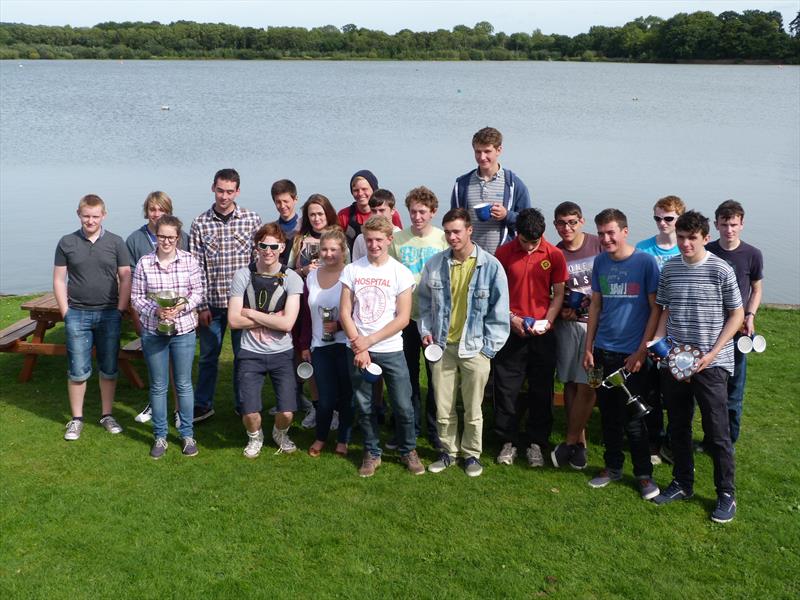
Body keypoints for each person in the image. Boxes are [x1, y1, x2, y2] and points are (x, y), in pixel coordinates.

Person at [652, 211, 743, 523]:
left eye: (692, 238)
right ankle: (682, 483)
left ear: (706, 238)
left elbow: (737, 316)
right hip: (675, 361)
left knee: (717, 431)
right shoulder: (670, 269)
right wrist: (658, 343)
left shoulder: (721, 270)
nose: (685, 244)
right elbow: (664, 310)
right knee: (678, 426)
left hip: (711, 363)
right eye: (681, 237)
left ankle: (726, 493)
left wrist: (713, 353)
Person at [417, 208, 510, 476]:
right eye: (447, 232)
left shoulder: (491, 266)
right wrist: (426, 330)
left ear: (469, 230)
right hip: (443, 347)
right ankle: (448, 452)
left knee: (473, 407)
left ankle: (471, 455)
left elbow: (500, 311)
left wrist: (487, 349)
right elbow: (423, 303)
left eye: (456, 231)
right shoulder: (434, 264)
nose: (451, 237)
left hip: (475, 348)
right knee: (444, 406)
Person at [583, 209, 660, 500]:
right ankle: (612, 467)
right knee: (607, 414)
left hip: (632, 356)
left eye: (611, 232)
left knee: (633, 418)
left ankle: (643, 475)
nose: (605, 238)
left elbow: (656, 309)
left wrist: (642, 350)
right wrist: (587, 347)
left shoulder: (645, 262)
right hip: (600, 352)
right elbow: (595, 307)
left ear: (625, 232)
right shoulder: (600, 262)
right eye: (601, 233)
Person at [339, 216, 423, 477]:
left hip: (390, 349)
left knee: (403, 404)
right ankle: (371, 452)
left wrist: (370, 341)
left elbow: (403, 318)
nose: (374, 245)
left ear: (389, 240)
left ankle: (408, 449)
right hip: (358, 348)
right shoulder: (353, 270)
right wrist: (360, 347)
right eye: (369, 239)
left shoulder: (400, 272)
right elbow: (344, 311)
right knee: (364, 405)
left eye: (379, 240)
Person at [53, 194, 131, 441]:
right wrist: (66, 312)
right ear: (79, 214)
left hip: (109, 313)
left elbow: (126, 277)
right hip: (77, 314)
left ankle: (107, 414)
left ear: (103, 216)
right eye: (86, 215)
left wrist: (119, 309)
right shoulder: (66, 242)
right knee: (77, 370)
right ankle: (76, 419)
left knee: (108, 368)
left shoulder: (117, 242)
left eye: (95, 216)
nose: (90, 220)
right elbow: (58, 279)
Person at [493, 208, 567, 467]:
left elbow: (558, 294)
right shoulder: (503, 254)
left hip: (542, 332)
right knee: (506, 388)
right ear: (517, 234)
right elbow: (495, 295)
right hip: (510, 330)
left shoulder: (554, 255)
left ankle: (537, 442)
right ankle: (507, 441)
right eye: (525, 242)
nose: (529, 247)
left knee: (541, 388)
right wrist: (511, 318)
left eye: (534, 242)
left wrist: (548, 320)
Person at [189, 168, 262, 422]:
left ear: (237, 192)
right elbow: (197, 269)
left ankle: (243, 404)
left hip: (242, 305)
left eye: (229, 191)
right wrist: (202, 306)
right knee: (209, 357)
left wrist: (254, 304)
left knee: (244, 358)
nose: (224, 196)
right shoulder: (200, 223)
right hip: (213, 305)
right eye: (220, 190)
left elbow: (258, 264)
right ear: (213, 188)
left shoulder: (252, 219)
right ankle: (203, 404)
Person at [228, 223, 304, 458]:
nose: (268, 251)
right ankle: (255, 436)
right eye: (263, 245)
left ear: (282, 247)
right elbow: (233, 320)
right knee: (249, 412)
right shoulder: (243, 275)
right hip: (250, 351)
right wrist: (270, 319)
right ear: (256, 246)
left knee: (288, 412)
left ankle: (280, 433)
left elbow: (287, 324)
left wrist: (250, 313)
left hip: (282, 353)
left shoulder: (292, 278)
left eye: (274, 246)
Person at [131, 215, 203, 459]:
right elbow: (137, 297)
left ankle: (187, 434)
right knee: (159, 385)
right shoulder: (144, 263)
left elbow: (197, 293)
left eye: (171, 237)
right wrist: (156, 310)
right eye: (162, 236)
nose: (166, 241)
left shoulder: (189, 261)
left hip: (183, 330)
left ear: (178, 238)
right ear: (156, 236)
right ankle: (160, 436)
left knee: (183, 384)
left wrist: (181, 307)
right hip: (153, 331)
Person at [389, 186, 448, 450]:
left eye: (422, 211)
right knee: (408, 376)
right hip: (405, 318)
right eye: (413, 211)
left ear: (433, 213)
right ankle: (409, 427)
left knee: (436, 376)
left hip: (435, 319)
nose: (417, 216)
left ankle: (436, 431)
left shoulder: (442, 239)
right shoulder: (398, 240)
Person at [127, 191, 190, 426]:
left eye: (161, 210)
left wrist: (182, 308)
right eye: (152, 209)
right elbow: (133, 282)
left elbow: (189, 276)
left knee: (179, 369)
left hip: (179, 316)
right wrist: (139, 315)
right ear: (147, 211)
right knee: (156, 368)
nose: (156, 214)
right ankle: (154, 405)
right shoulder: (135, 240)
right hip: (149, 314)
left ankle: (177, 409)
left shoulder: (182, 236)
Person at [550, 202, 602, 470]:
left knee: (590, 383)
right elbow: (553, 295)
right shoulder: (555, 252)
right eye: (561, 223)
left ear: (582, 221)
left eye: (571, 222)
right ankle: (579, 441)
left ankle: (572, 440)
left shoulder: (598, 244)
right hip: (568, 328)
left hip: (597, 327)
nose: (566, 228)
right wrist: (562, 313)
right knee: (570, 382)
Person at [705, 200, 763, 445]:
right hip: (709, 328)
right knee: (709, 388)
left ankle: (729, 440)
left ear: (742, 224)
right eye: (724, 224)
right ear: (716, 224)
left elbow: (756, 289)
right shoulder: (707, 250)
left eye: (734, 225)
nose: (729, 230)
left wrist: (750, 316)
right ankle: (711, 438)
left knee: (734, 390)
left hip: (738, 330)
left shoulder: (752, 254)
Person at [635, 194, 686, 464]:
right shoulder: (643, 249)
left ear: (679, 219)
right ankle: (653, 438)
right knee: (650, 387)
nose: (662, 223)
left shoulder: (686, 248)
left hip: (681, 328)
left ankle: (675, 440)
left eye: (668, 218)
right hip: (650, 324)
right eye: (657, 218)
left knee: (677, 390)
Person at [297, 227, 354, 457]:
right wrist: (304, 344)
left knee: (347, 394)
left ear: (343, 251)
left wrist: (340, 326)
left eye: (334, 249)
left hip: (346, 343)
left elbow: (359, 312)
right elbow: (306, 314)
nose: (328, 254)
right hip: (320, 345)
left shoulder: (350, 274)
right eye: (324, 249)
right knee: (325, 396)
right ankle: (321, 437)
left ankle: (343, 439)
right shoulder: (311, 275)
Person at [285, 193, 340, 429]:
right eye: (312, 214)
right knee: (307, 358)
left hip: (333, 305)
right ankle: (317, 408)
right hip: (305, 306)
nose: (317, 218)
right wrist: (304, 270)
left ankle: (337, 409)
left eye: (320, 213)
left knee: (335, 359)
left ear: (328, 213)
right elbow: (286, 273)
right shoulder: (299, 240)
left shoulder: (340, 236)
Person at [450, 126, 531, 254]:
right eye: (478, 152)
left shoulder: (514, 185)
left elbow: (529, 224)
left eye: (487, 151)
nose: (482, 157)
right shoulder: (462, 185)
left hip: (504, 257)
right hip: (470, 256)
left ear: (499, 150)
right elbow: (453, 222)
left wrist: (506, 215)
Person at [337, 170, 402, 252]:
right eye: (356, 190)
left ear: (373, 189)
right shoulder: (344, 215)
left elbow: (399, 239)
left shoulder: (391, 214)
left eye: (364, 189)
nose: (360, 193)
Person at [352, 189, 401, 262]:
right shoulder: (361, 239)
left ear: (393, 210)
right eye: (374, 211)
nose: (377, 215)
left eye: (382, 210)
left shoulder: (400, 236)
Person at [271, 179, 301, 266]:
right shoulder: (272, 229)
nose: (282, 206)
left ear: (295, 199)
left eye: (286, 201)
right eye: (278, 202)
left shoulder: (305, 226)